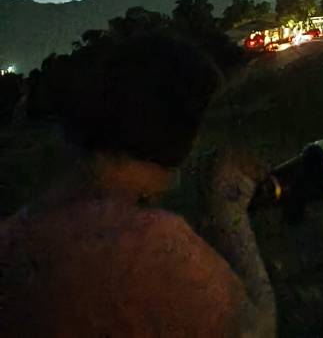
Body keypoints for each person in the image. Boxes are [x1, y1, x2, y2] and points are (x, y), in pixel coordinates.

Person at [0, 28, 276, 336]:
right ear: (181, 129)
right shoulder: (149, 246)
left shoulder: (14, 237)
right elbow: (256, 329)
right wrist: (229, 211)